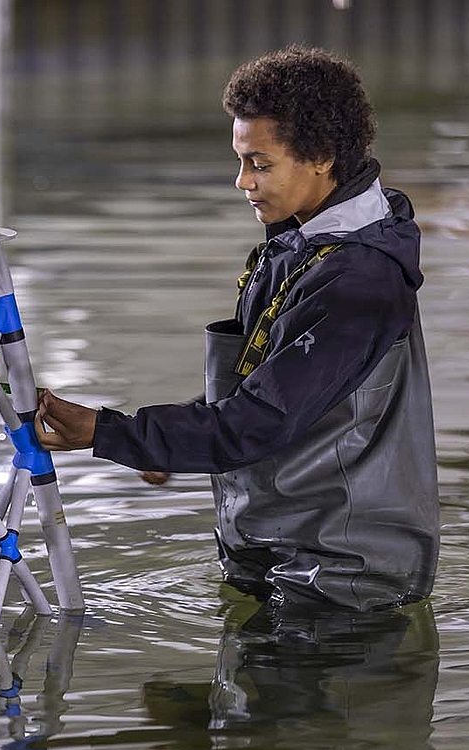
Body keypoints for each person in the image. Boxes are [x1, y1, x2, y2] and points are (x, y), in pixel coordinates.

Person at [35, 45, 439, 611]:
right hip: (288, 553)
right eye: (241, 160)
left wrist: (110, 433)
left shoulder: (358, 276)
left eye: (260, 163)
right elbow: (275, 387)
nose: (241, 181)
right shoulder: (304, 244)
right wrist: (166, 443)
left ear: (321, 156)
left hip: (343, 582)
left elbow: (261, 419)